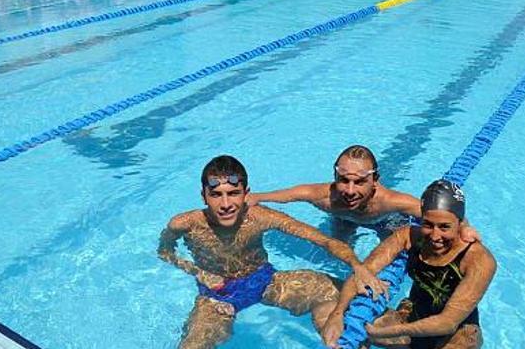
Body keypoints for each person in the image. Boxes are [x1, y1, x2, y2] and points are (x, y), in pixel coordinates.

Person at [158, 155, 387, 349]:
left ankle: (342, 344)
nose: (226, 204)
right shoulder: (184, 224)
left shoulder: (259, 217)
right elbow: (165, 252)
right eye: (216, 194)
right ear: (203, 195)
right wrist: (199, 272)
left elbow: (324, 241)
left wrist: (358, 267)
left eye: (234, 193)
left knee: (336, 294)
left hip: (265, 281)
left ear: (246, 193)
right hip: (215, 296)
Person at [322, 180, 496, 349]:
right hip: (412, 315)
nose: (435, 236)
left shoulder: (478, 260)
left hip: (457, 332)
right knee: (332, 316)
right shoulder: (409, 237)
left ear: (460, 224)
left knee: (464, 341)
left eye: (444, 227)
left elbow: (448, 322)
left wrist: (387, 332)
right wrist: (338, 314)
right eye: (428, 224)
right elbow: (363, 272)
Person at [248, 145, 480, 242]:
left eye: (359, 182)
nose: (350, 190)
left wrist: (465, 227)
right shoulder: (326, 197)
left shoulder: (391, 202)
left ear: (375, 181)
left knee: (391, 254)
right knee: (338, 248)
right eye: (344, 181)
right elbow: (291, 194)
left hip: (384, 222)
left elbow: (442, 213)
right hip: (343, 218)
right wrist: (258, 197)